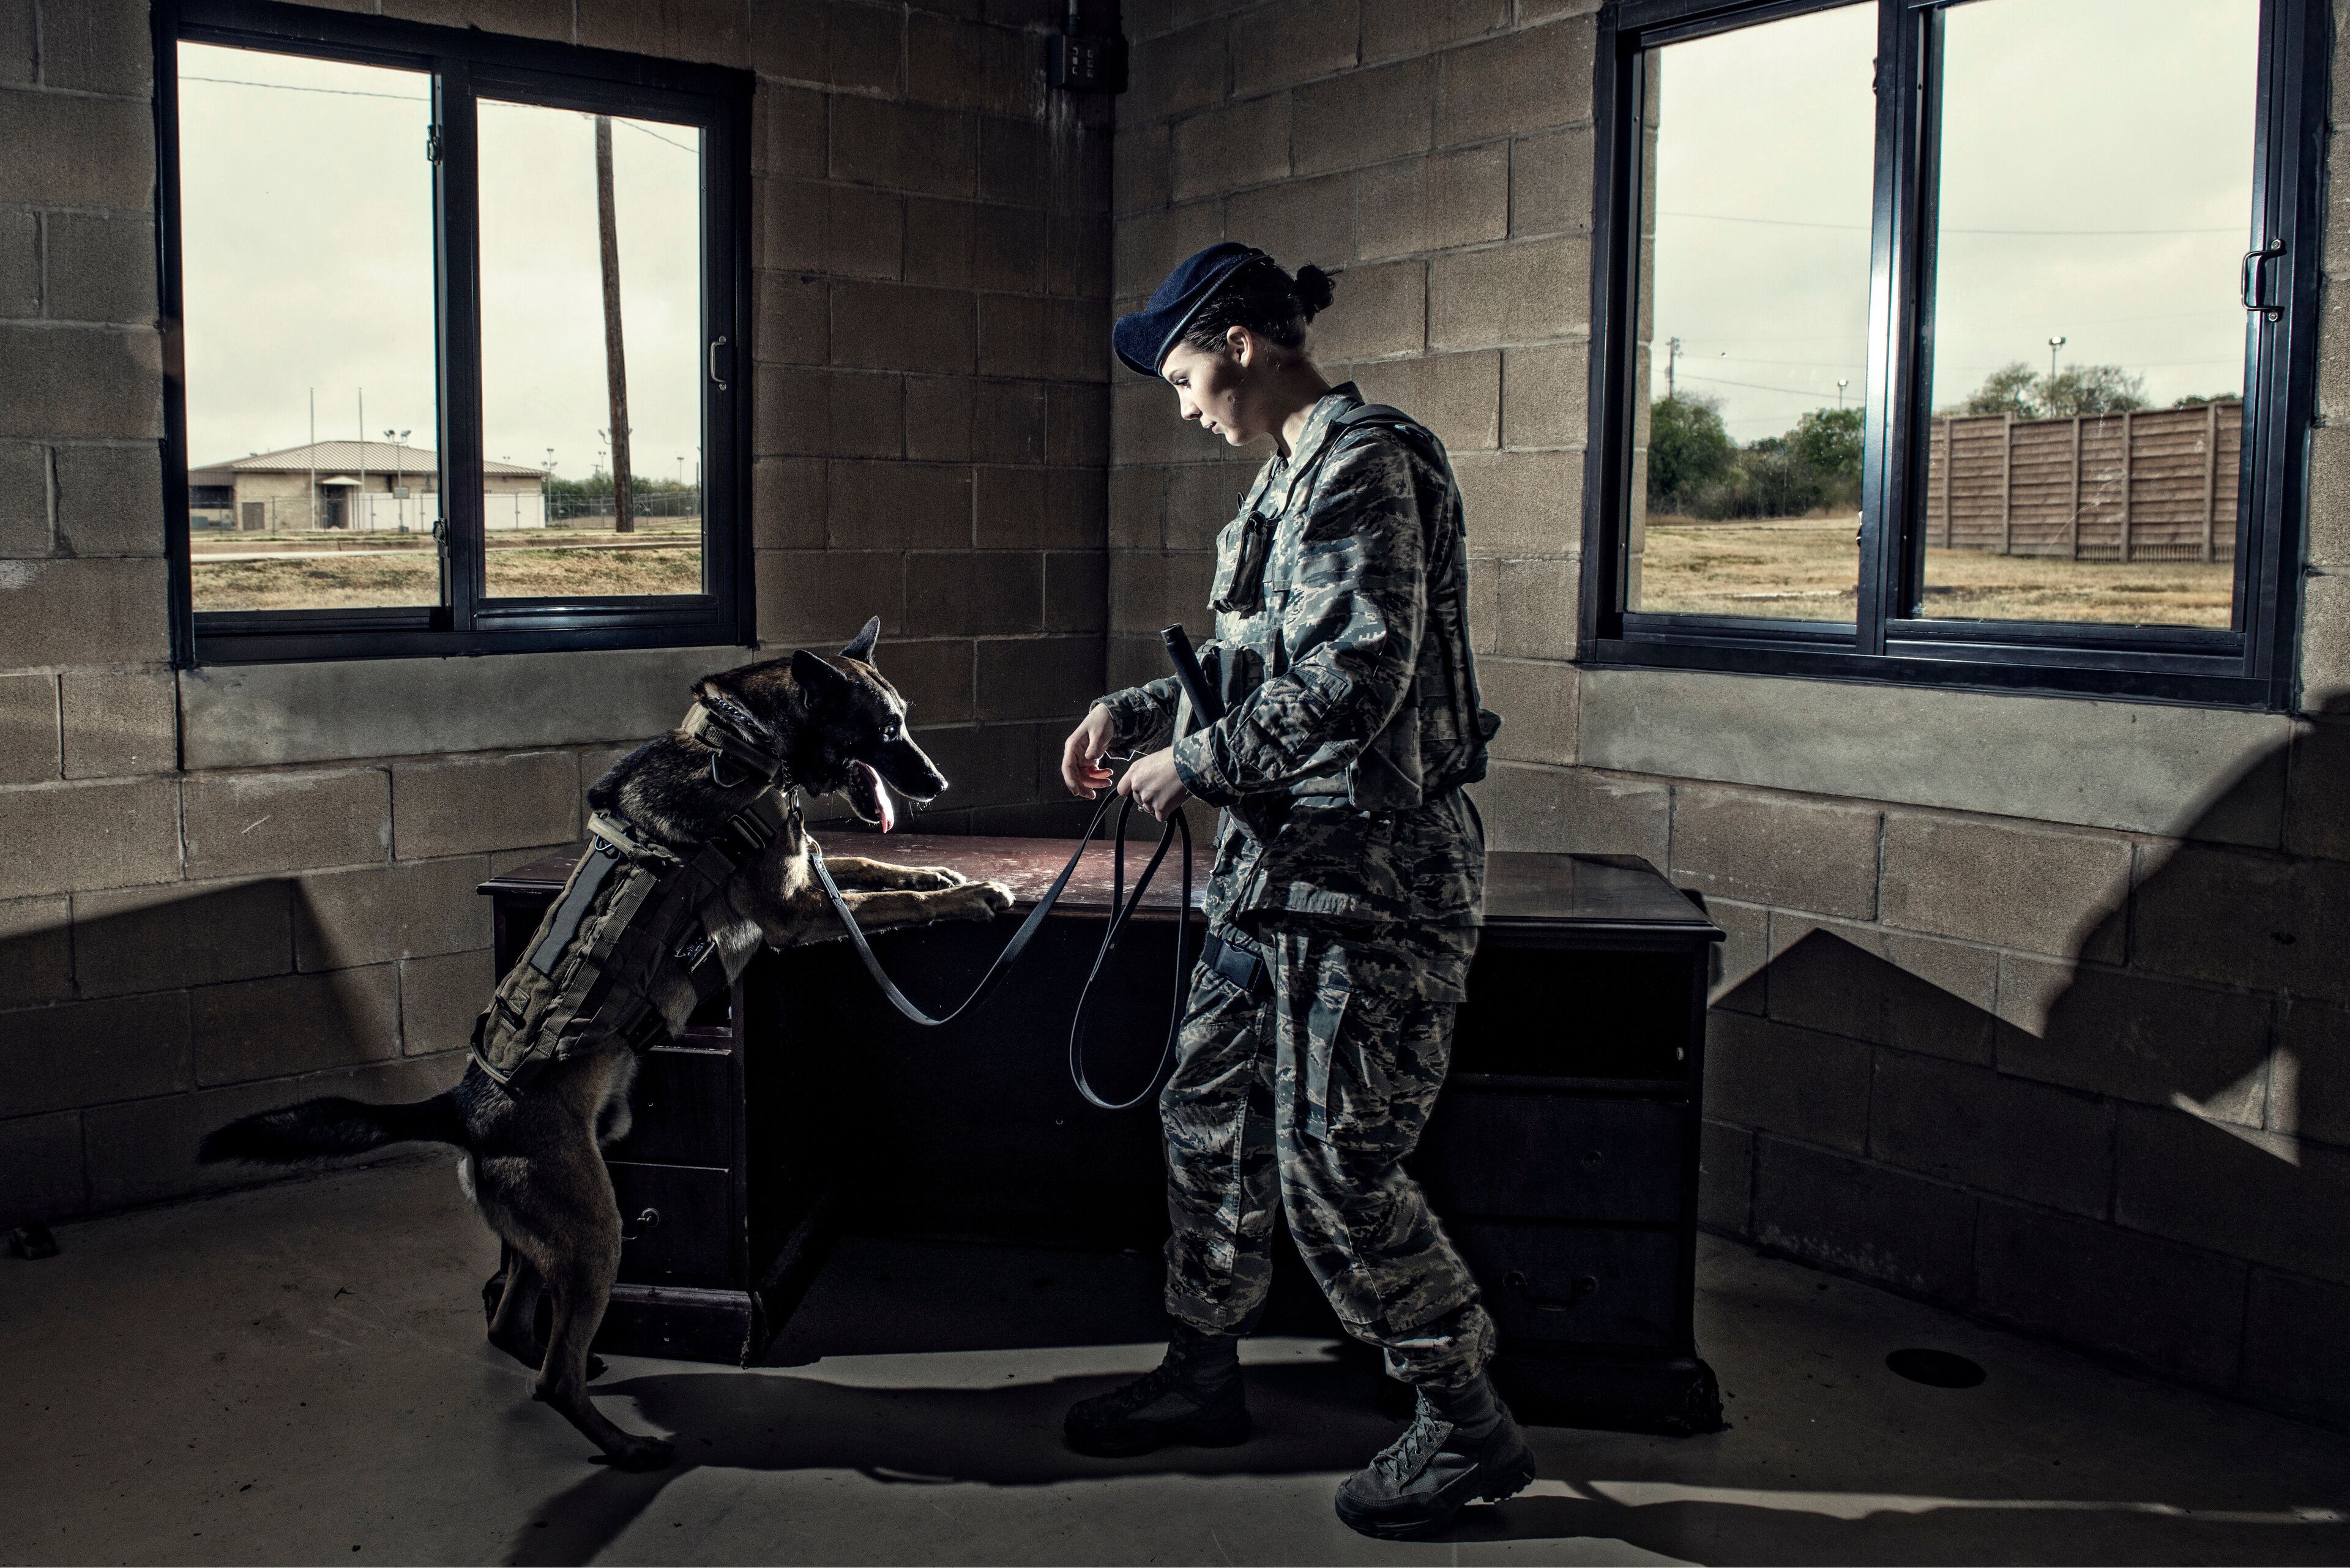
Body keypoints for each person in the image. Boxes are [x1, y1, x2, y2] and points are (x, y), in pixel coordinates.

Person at [1057, 242, 1534, 1539]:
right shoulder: (1279, 491)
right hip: (1273, 882)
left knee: (1336, 1166)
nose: (1185, 400)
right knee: (1205, 1116)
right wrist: (1141, 709)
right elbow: (1258, 663)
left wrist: (1190, 764)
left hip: (1367, 889)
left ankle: (1463, 1422)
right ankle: (1204, 1373)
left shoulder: (1369, 463)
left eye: (1185, 371)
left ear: (1241, 342)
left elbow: (1354, 683)